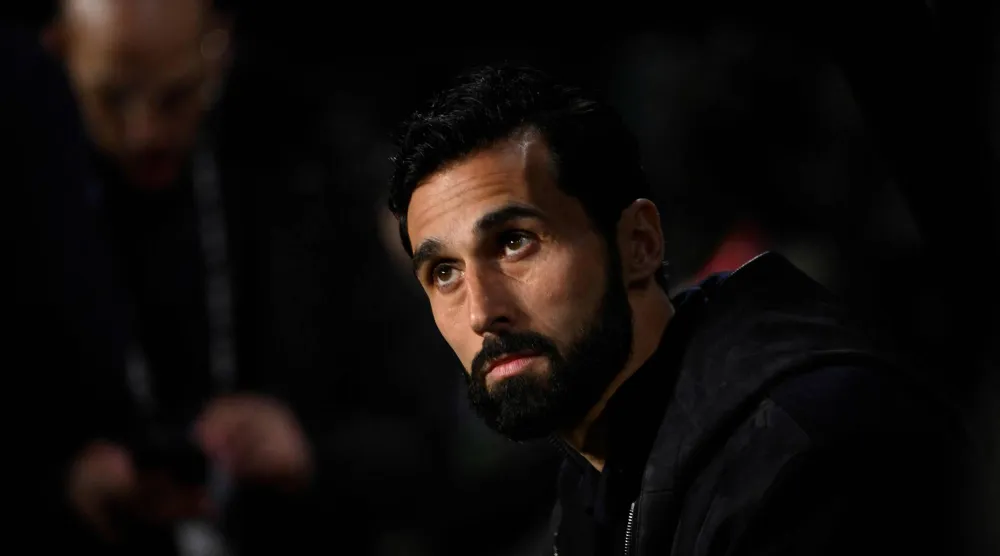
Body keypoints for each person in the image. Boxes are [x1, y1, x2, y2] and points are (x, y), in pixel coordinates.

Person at [387, 64, 963, 555]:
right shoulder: (595, 477)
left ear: (638, 244)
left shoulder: (806, 453)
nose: (481, 312)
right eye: (444, 273)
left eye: (514, 242)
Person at [43, 1, 446, 554]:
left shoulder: (312, 165)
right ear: (59, 50)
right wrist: (64, 486)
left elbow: (427, 442)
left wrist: (310, 453)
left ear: (218, 47)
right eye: (111, 97)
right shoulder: (26, 194)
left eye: (176, 96)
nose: (144, 133)